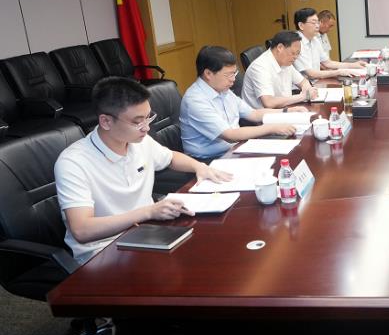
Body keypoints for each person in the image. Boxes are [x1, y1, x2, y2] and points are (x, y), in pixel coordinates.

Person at [54, 77, 233, 264]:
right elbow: (82, 230)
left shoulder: (139, 141)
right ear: (106, 121)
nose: (147, 128)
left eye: (149, 117)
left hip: (148, 233)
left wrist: (199, 167)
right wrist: (148, 212)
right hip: (103, 251)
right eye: (137, 122)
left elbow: (171, 157)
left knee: (212, 249)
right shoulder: (73, 162)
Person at [180, 46, 307, 160]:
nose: (233, 80)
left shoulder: (222, 89)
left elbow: (254, 114)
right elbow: (230, 135)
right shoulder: (195, 100)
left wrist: (287, 111)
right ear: (208, 74)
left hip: (236, 148)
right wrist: (272, 128)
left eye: (234, 73)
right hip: (209, 160)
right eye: (228, 75)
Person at [242, 30, 319, 109]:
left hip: (284, 109)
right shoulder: (260, 67)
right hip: (264, 115)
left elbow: (303, 82)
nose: (296, 57)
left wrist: (307, 90)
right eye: (293, 53)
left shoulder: (285, 61)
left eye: (298, 53)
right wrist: (303, 96)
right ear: (280, 47)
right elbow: (269, 102)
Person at [293, 8, 366, 80]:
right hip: (302, 85)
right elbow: (311, 74)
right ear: (301, 25)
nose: (317, 26)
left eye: (318, 22)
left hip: (316, 81)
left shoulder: (315, 40)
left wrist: (353, 65)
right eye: (313, 23)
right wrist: (338, 72)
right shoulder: (295, 43)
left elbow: (327, 63)